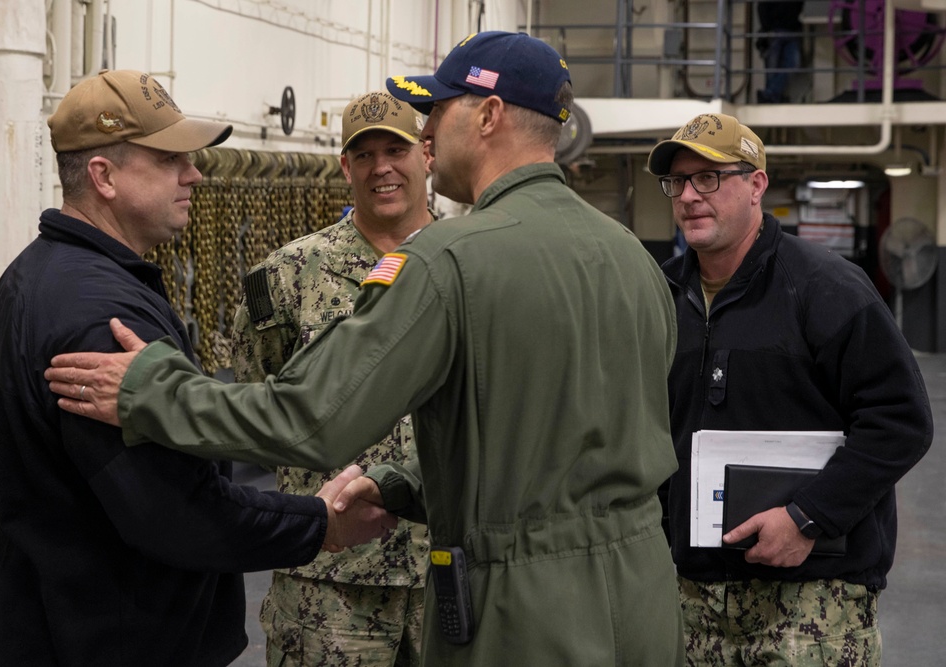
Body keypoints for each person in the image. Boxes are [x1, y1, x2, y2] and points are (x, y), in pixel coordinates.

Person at [45, 32, 685, 666]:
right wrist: (407, 486)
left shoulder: (449, 261)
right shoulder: (635, 260)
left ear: (489, 115)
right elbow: (562, 452)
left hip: (525, 614)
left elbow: (309, 419)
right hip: (643, 597)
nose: (427, 133)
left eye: (438, 110)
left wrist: (151, 390)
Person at [0, 69, 393, 666]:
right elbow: (177, 512)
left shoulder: (38, 275)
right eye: (170, 158)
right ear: (104, 177)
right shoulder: (103, 317)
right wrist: (317, 523)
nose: (194, 173)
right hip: (119, 641)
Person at [647, 112, 933, 665]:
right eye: (677, 182)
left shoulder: (825, 288)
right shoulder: (661, 296)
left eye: (708, 178)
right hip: (691, 599)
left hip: (812, 603)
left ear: (756, 185)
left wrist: (808, 516)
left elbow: (901, 421)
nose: (688, 196)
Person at [231, 90, 432, 666]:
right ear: (345, 167)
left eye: (395, 149)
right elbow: (256, 404)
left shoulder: (471, 261)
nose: (381, 167)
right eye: (363, 155)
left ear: (426, 155)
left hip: (449, 565)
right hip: (329, 585)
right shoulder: (289, 275)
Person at [756, 1, 804, 104]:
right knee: (775, 68)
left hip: (788, 31)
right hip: (778, 31)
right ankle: (772, 96)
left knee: (790, 65)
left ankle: (769, 94)